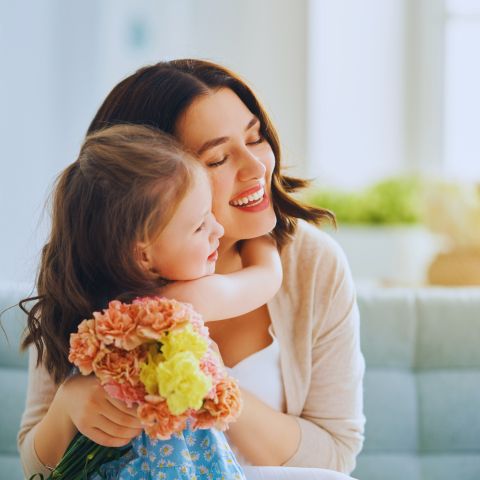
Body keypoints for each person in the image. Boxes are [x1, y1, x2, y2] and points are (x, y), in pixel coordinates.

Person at [19, 59, 365, 480]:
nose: (257, 168)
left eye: (255, 138)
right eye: (217, 159)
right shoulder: (90, 275)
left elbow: (335, 456)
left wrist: (208, 382)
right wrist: (68, 408)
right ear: (144, 192)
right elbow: (36, 468)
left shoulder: (311, 265)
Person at [18, 124, 283, 480]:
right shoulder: (181, 303)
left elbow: (47, 469)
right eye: (200, 226)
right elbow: (267, 279)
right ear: (142, 256)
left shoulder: (87, 316)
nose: (218, 230)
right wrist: (263, 240)